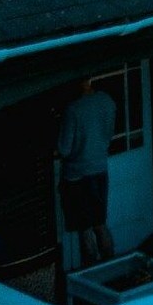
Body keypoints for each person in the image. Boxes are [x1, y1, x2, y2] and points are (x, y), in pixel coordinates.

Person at [56, 78, 117, 266]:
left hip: (77, 176)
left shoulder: (73, 110)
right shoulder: (107, 101)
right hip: (100, 170)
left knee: (85, 228)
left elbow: (64, 149)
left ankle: (89, 272)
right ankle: (110, 265)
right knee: (100, 222)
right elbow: (109, 135)